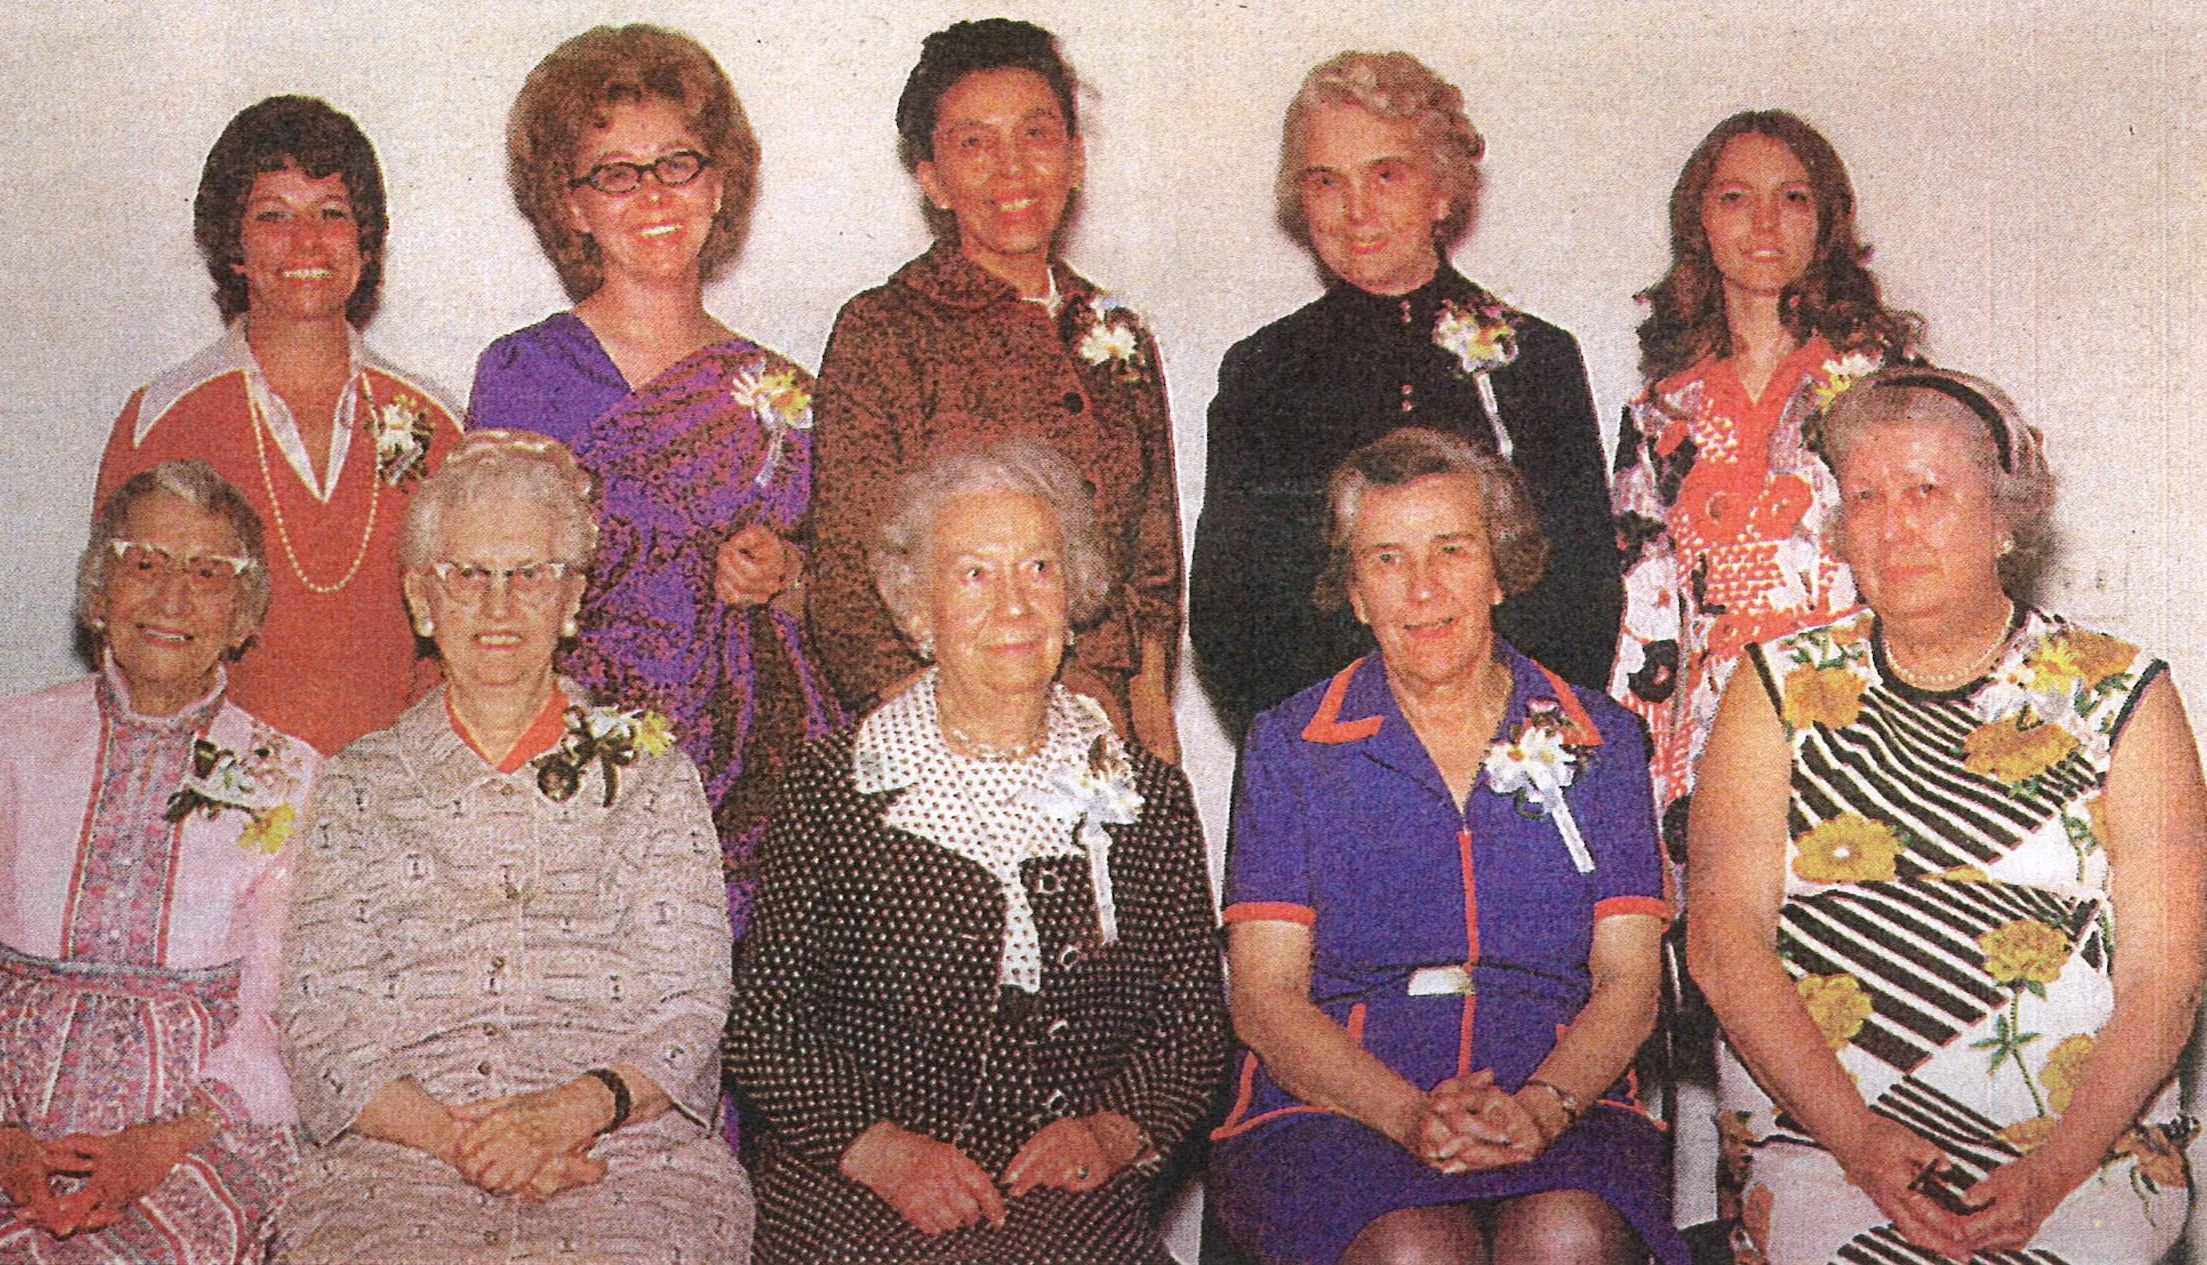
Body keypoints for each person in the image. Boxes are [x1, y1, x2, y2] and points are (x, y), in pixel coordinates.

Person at [1689, 368, 2205, 1264]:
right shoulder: (1770, 687)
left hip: (2081, 1150)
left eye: (1928, 491)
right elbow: (1723, 944)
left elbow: (2166, 977)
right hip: (1827, 1147)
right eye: (1866, 497)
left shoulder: (2123, 693)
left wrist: (2052, 1169)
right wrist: (1856, 1141)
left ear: (2005, 517)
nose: (1895, 525)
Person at [728, 439, 1226, 1263]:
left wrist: (1110, 1130)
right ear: (917, 612)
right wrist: (881, 1150)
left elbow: (1190, 1026)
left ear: (1074, 598)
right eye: (973, 575)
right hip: (857, 1180)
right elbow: (766, 1023)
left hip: (1058, 1186)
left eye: (1038, 569)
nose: (1015, 606)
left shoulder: (1143, 794)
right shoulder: (835, 783)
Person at [1207, 428, 1688, 1265]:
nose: (1422, 588)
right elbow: (1266, 999)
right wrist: (1404, 1113)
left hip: (1555, 1083)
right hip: (1342, 1100)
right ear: (1354, 592)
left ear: (1499, 569)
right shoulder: (1290, 745)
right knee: (1413, 1251)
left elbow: (1629, 982)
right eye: (1387, 559)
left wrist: (1540, 1105)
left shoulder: (1599, 737)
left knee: (1563, 1235)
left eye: (1451, 551)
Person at [274, 432, 752, 1263]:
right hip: (401, 1162)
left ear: (572, 600)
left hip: (622, 1156)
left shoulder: (647, 770)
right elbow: (322, 1028)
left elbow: (691, 1007)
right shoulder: (360, 781)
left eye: (530, 574)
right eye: (467, 575)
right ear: (422, 599)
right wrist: (475, 1144)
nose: (498, 607)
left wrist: (568, 1112)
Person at [0, 462, 317, 1264]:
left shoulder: (291, 773)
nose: (173, 597)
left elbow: (277, 1016)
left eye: (209, 573)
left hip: (193, 1144)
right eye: (145, 563)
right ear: (99, 594)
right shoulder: (12, 739)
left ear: (243, 616)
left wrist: (163, 1143)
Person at [469, 25, 842, 935]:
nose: (652, 196)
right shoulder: (525, 372)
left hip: (763, 805)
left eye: (677, 163)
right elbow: (495, 590)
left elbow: (842, 594)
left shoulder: (783, 392)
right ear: (569, 204)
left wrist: (787, 577)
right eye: (614, 172)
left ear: (720, 183)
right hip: (578, 785)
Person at [1190, 52, 1621, 738]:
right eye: (1326, 181)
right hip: (1329, 756)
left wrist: (1507, 735)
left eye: (1385, 175)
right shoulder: (1261, 373)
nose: (1356, 209)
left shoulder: (1535, 359)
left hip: (1512, 750)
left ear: (1442, 190)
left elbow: (1583, 595)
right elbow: (1231, 618)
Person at [808, 17, 1184, 762]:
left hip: (1109, 742)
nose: (1010, 170)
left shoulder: (1116, 333)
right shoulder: (885, 329)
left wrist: (1156, 759)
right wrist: (954, 752)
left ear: (1075, 158)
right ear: (932, 179)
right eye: (974, 144)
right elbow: (848, 587)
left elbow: (1155, 576)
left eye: (1036, 135)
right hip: (951, 742)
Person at [96, 95, 463, 758]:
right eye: (273, 215)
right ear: (232, 244)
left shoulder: (435, 421)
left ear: (366, 240)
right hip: (211, 800)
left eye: (331, 213)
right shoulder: (163, 419)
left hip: (394, 799)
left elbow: (461, 643)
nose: (306, 242)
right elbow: (127, 646)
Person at [1608, 110, 1924, 851]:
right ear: (1698, 222)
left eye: (1791, 197)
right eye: (1733, 198)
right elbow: (1642, 624)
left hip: (1862, 738)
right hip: (1706, 756)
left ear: (1826, 221)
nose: (1762, 222)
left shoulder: (1883, 391)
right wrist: (1633, 797)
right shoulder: (1660, 414)